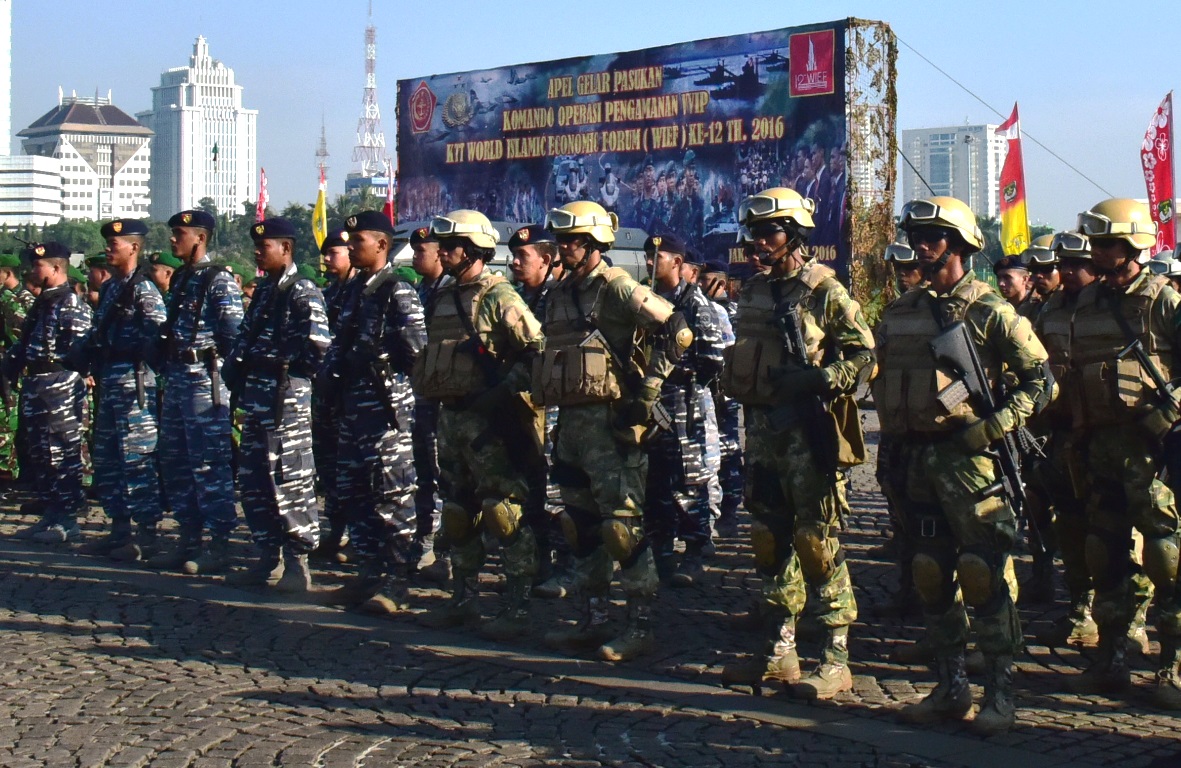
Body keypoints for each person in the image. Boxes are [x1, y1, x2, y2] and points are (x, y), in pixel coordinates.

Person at [875, 196, 1050, 734]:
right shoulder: (901, 311)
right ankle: (950, 688)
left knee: (981, 575)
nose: (922, 246)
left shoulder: (990, 310)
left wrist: (992, 428)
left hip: (971, 464)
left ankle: (1000, 693)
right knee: (930, 574)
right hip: (915, 461)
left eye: (933, 237)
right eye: (916, 237)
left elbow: (1041, 382)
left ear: (960, 244)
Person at [719, 187, 873, 701]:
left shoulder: (825, 291)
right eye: (754, 234)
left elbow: (866, 356)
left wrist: (821, 379)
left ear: (795, 235)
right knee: (768, 539)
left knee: (816, 542)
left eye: (770, 233)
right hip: (763, 433)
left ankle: (835, 658)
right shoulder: (754, 291)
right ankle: (780, 651)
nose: (759, 242)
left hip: (808, 434)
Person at [540, 200, 691, 662]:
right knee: (580, 528)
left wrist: (649, 389)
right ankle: (594, 619)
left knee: (622, 529)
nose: (563, 247)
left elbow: (678, 330)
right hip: (571, 427)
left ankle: (639, 625)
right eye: (561, 240)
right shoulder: (559, 293)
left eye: (572, 240)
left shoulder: (618, 287)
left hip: (612, 427)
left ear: (594, 244)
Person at [1066, 199, 1181, 708]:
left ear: (1133, 246)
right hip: (1099, 447)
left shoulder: (1163, 301)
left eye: (1106, 243)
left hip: (1151, 449)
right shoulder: (1087, 304)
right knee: (1104, 554)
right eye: (1095, 242)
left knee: (1166, 556)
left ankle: (1173, 664)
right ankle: (1111, 659)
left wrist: (1167, 412)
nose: (1096, 252)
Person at [413, 210, 546, 640]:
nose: (443, 253)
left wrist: (502, 391)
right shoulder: (443, 297)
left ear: (473, 250)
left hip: (491, 423)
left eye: (451, 246)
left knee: (503, 513)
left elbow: (537, 351)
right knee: (456, 513)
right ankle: (462, 599)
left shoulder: (499, 296)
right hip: (451, 419)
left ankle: (517, 606)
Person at [320, 210, 425, 615]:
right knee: (355, 494)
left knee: (392, 496)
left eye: (357, 241)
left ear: (382, 244)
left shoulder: (397, 290)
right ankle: (368, 572)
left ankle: (397, 582)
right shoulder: (353, 290)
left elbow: (418, 354)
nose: (349, 248)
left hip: (386, 413)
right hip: (352, 410)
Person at [222, 218, 330, 592]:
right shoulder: (267, 290)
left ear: (286, 248)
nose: (257, 252)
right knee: (255, 480)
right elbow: (244, 337)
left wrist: (283, 368)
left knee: (289, 478)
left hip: (286, 400)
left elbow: (319, 346)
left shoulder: (302, 290)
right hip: (257, 398)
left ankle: (297, 563)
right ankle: (267, 557)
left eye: (264, 246)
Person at [145, 209, 244, 574]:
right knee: (175, 461)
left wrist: (227, 381)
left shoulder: (218, 280)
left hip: (205, 380)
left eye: (179, 234)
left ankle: (219, 544)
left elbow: (234, 336)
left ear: (200, 238)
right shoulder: (185, 277)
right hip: (177, 377)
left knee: (208, 464)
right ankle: (189, 538)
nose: (173, 240)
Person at [72, 219, 167, 561]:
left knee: (137, 458)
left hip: (134, 381)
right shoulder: (112, 288)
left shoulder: (144, 290)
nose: (108, 249)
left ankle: (147, 535)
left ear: (134, 248)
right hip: (110, 379)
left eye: (115, 244)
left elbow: (159, 336)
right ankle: (119, 531)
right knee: (108, 458)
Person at [642, 234, 723, 587]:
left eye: (657, 256)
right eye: (648, 256)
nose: (649, 262)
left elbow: (713, 358)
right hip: (651, 402)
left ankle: (694, 551)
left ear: (677, 262)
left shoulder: (695, 303)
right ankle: (660, 553)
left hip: (685, 403)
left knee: (690, 479)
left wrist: (681, 378)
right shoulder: (645, 298)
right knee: (654, 479)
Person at [5, 242, 92, 542]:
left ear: (56, 268)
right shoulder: (44, 301)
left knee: (61, 452)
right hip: (36, 384)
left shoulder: (69, 302)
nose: (32, 270)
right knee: (40, 453)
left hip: (59, 385)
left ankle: (67, 520)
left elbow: (80, 348)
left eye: (38, 265)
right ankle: (51, 514)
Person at [507, 224, 571, 597]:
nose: (514, 263)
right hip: (521, 407)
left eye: (523, 256)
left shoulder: (561, 298)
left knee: (560, 491)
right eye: (513, 256)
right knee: (527, 488)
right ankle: (535, 562)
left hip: (556, 408)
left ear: (546, 260)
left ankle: (567, 566)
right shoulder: (514, 298)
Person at [310, 227, 355, 563]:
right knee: (329, 465)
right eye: (325, 254)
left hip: (353, 394)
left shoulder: (362, 293)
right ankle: (336, 529)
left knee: (354, 467)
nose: (326, 259)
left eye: (333, 253)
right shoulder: (328, 295)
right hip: (326, 393)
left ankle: (356, 533)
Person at [408, 226, 447, 574]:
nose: (416, 257)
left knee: (442, 472)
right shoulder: (420, 290)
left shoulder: (451, 291)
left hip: (443, 395)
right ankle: (425, 540)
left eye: (422, 251)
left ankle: (442, 546)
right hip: (420, 393)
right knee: (422, 471)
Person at [700, 257, 743, 537]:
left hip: (726, 392)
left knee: (728, 450)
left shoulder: (733, 312)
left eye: (707, 280)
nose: (702, 285)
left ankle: (730, 509)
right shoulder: (699, 307)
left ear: (721, 283)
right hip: (709, 391)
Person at [0, 251, 31, 481]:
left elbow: (19, 335)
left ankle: (8, 472)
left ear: (7, 273)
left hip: (14, 370)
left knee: (7, 422)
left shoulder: (18, 300)